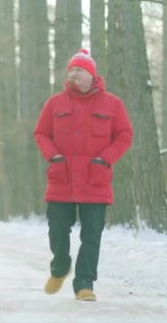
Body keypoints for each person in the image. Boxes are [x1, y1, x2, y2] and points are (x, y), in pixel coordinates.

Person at [34, 48, 133, 301]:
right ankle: (60, 266)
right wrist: (53, 156)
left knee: (91, 234)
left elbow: (124, 134)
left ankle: (85, 283)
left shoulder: (112, 104)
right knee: (57, 228)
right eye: (71, 70)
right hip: (61, 178)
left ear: (91, 74)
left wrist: (105, 159)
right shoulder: (55, 103)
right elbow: (41, 133)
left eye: (79, 70)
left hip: (95, 180)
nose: (73, 74)